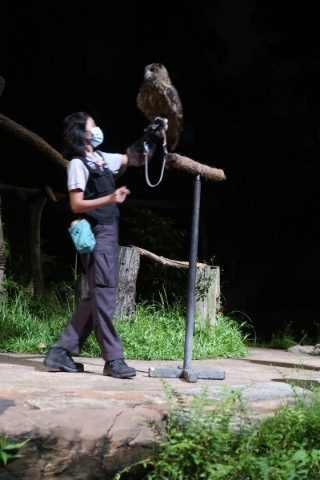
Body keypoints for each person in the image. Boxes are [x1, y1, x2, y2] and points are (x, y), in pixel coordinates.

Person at [43, 111, 166, 379]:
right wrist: (110, 198)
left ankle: (60, 352)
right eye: (92, 124)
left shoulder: (100, 159)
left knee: (96, 295)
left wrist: (151, 138)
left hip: (108, 232)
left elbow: (133, 158)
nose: (97, 128)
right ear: (82, 132)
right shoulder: (77, 164)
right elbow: (75, 204)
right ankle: (113, 359)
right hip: (95, 232)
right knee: (105, 295)